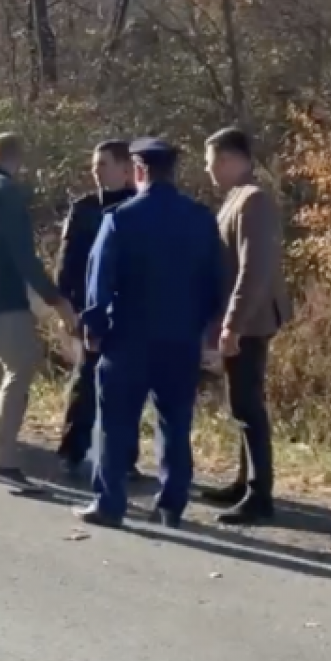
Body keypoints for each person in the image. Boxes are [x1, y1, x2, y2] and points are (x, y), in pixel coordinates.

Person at [73, 138, 224, 528]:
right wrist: (205, 328)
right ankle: (172, 503)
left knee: (115, 421)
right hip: (180, 337)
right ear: (172, 171)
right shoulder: (201, 218)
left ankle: (110, 502)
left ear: (138, 171)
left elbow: (99, 278)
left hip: (128, 336)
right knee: (175, 422)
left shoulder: (121, 218)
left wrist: (94, 326)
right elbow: (215, 281)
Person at [0, 132, 78, 491]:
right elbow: (23, 255)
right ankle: (3, 461)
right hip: (2, 300)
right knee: (19, 370)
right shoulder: (6, 193)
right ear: (18, 159)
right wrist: (54, 298)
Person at [201, 127, 292, 525]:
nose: (209, 172)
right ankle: (243, 482)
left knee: (248, 405)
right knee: (238, 403)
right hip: (241, 320)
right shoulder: (236, 199)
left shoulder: (253, 201)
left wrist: (233, 324)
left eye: (211, 163)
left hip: (250, 322)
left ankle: (259, 496)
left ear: (230, 159)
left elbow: (254, 270)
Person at [55, 140, 143, 479]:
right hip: (92, 310)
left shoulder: (139, 207)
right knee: (86, 383)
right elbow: (68, 261)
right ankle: (71, 450)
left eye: (103, 164)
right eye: (94, 164)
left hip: (130, 311)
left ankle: (124, 458)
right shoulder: (84, 208)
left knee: (129, 388)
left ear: (125, 169)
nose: (96, 170)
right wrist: (66, 307)